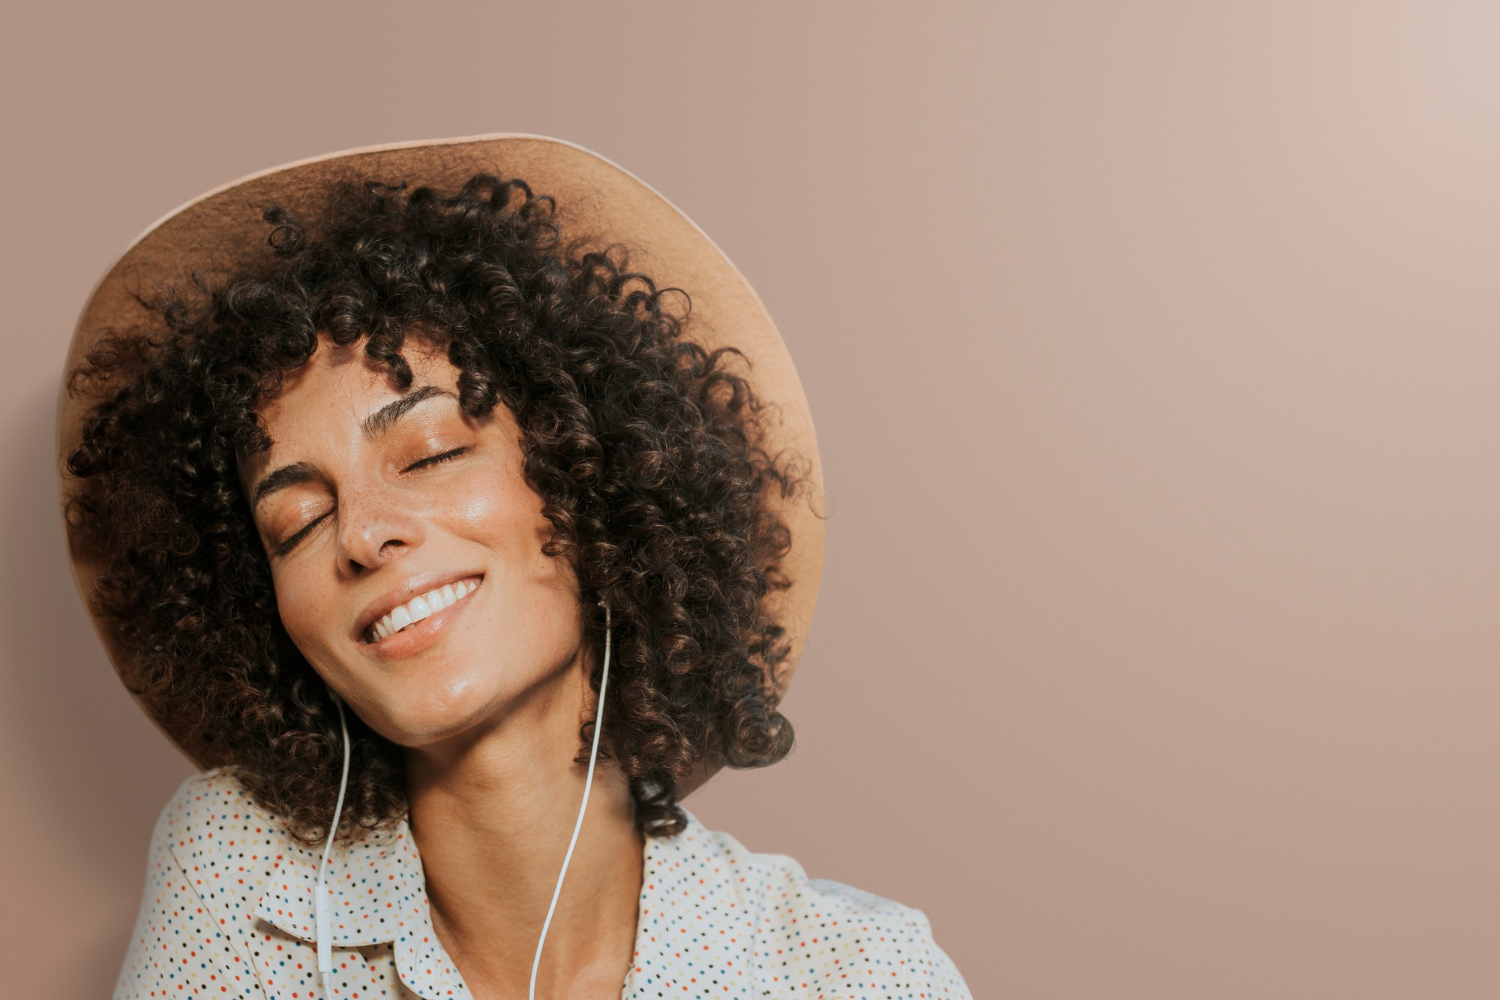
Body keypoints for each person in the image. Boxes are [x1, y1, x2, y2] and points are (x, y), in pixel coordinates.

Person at [59, 135, 971, 1000]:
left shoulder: (856, 974)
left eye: (428, 454)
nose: (362, 535)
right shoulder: (242, 877)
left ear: (592, 476)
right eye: (297, 522)